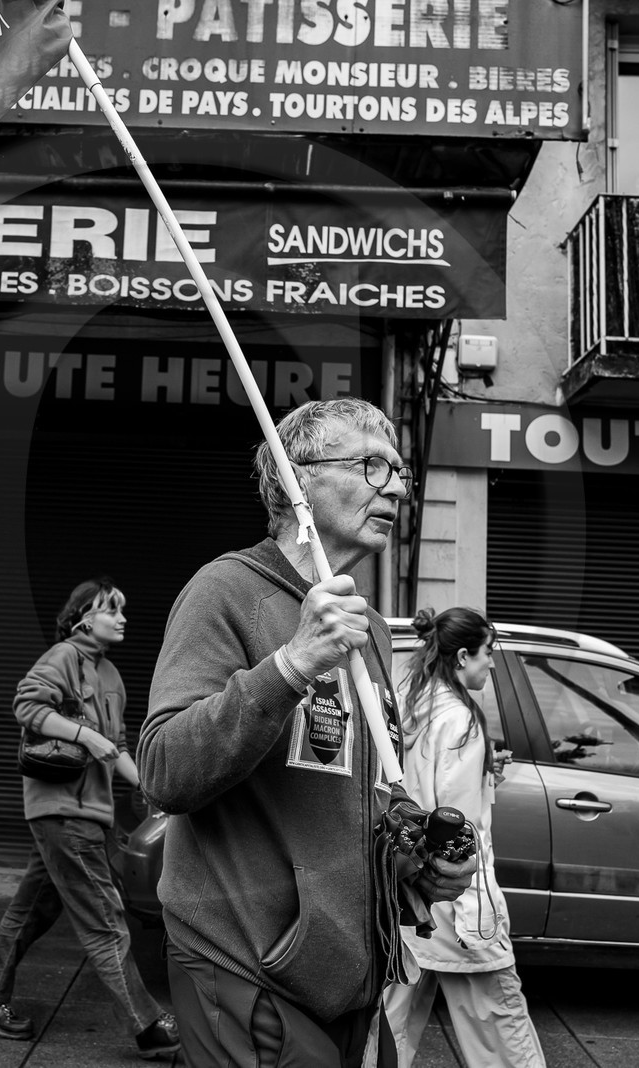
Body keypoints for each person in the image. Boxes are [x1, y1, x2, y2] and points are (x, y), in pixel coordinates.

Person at [139, 397, 480, 1068]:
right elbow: (164, 771)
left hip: (350, 977)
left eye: (400, 472)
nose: (396, 489)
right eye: (371, 465)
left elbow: (365, 792)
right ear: (297, 478)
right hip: (247, 964)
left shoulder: (369, 628)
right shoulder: (225, 591)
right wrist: (293, 664)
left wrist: (415, 860)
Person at [0, 577, 179, 1061]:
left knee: (30, 911)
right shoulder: (63, 657)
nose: (122, 618)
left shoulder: (111, 674)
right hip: (65, 811)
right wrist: (85, 735)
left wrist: (152, 788)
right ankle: (147, 1025)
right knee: (105, 920)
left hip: (85, 812)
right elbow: (27, 704)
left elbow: (116, 746)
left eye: (122, 609)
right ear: (83, 619)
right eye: (111, 610)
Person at [383, 607, 545, 1068]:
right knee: (500, 1020)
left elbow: (421, 790)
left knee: (391, 1022)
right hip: (454, 902)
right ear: (461, 657)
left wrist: (483, 769)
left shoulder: (410, 705)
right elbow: (460, 832)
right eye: (487, 653)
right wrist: (480, 916)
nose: (491, 663)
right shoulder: (461, 721)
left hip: (407, 893)